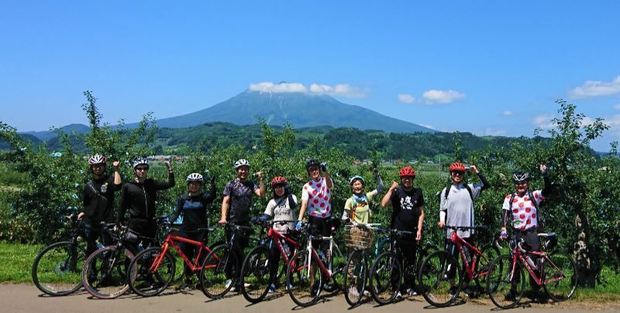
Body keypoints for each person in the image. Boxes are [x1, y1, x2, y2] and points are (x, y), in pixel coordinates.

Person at [500, 164, 552, 302]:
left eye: (523, 183)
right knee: (514, 262)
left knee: (533, 262)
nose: (520, 185)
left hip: (531, 233)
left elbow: (548, 191)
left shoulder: (534, 195)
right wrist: (503, 228)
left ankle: (536, 290)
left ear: (527, 183)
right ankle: (513, 290)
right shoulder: (509, 198)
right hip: (517, 233)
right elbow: (505, 214)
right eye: (517, 183)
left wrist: (545, 175)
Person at [438, 161, 489, 294]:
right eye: (455, 173)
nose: (457, 175)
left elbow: (486, 184)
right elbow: (442, 209)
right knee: (451, 260)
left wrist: (476, 171)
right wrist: (442, 221)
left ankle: (465, 285)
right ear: (451, 174)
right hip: (452, 232)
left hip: (467, 232)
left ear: (463, 174)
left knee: (468, 260)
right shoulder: (446, 191)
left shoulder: (469, 188)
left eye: (460, 173)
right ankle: (453, 286)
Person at [218, 158, 265, 290]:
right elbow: (226, 201)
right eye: (241, 169)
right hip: (232, 221)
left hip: (245, 222)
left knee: (241, 251)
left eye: (245, 169)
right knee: (231, 250)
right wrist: (223, 218)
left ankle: (239, 279)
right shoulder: (231, 184)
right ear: (237, 171)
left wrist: (261, 179)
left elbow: (261, 194)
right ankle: (229, 278)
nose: (243, 171)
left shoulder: (251, 184)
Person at [380, 165, 425, 297]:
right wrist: (390, 189)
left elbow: (421, 213)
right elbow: (383, 204)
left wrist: (419, 230)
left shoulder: (418, 192)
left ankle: (410, 286)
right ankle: (396, 288)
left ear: (413, 179)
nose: (407, 180)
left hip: (412, 232)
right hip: (397, 231)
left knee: (410, 261)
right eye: (405, 178)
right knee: (396, 261)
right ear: (401, 179)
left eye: (409, 178)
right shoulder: (397, 192)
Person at [170, 172, 216, 290]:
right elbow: (176, 212)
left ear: (200, 185)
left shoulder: (204, 197)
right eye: (192, 184)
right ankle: (188, 279)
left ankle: (202, 279)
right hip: (185, 231)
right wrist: (169, 221)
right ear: (188, 185)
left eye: (197, 184)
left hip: (200, 232)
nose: (194, 186)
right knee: (186, 256)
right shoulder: (183, 198)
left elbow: (212, 197)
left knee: (200, 257)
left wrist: (213, 186)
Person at [119, 157, 175, 251]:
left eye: (145, 168)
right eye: (139, 168)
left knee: (149, 252)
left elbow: (170, 184)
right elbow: (122, 205)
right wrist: (119, 221)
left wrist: (170, 170)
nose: (142, 171)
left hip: (150, 223)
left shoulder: (151, 183)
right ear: (135, 170)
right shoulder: (128, 186)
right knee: (131, 251)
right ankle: (130, 266)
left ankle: (146, 266)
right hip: (135, 224)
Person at [79, 154, 122, 257]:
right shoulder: (88, 186)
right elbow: (86, 203)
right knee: (91, 247)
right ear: (91, 168)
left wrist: (116, 170)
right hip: (92, 221)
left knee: (108, 247)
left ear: (104, 167)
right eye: (95, 166)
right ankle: (90, 272)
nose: (97, 168)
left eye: (100, 166)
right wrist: (82, 212)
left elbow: (118, 186)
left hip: (107, 220)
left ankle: (106, 271)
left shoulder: (109, 180)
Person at [259, 176, 297, 292]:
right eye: (276, 187)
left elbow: (294, 206)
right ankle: (272, 282)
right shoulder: (272, 202)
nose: (279, 189)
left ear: (285, 187)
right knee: (273, 259)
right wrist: (259, 218)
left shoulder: (292, 197)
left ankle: (289, 281)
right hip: (276, 234)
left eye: (281, 186)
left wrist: (289, 193)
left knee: (289, 259)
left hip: (289, 232)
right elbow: (267, 215)